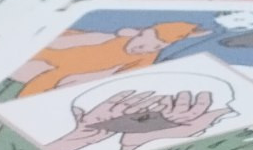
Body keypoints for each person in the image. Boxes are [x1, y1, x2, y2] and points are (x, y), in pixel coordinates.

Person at [12, 19, 206, 96]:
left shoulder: (145, 59)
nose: (143, 49)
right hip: (62, 54)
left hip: (71, 72)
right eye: (143, 41)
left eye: (156, 47)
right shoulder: (119, 37)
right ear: (139, 32)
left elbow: (121, 77)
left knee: (44, 82)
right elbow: (77, 40)